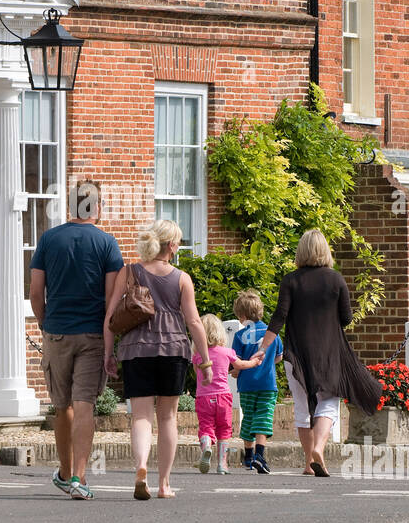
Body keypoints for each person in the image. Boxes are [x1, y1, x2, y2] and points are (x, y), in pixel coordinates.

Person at [248, 229, 382, 477]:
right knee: (327, 404)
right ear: (325, 251)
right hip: (330, 355)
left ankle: (309, 463)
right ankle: (319, 448)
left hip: (297, 355)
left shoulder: (291, 280)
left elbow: (279, 317)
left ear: (301, 251)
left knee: (301, 408)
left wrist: (263, 348)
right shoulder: (336, 280)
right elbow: (346, 318)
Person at [103, 219, 212, 500]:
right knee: (167, 417)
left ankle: (141, 468)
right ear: (172, 245)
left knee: (140, 416)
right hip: (173, 351)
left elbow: (110, 317)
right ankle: (164, 484)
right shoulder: (182, 278)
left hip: (136, 350)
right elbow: (194, 322)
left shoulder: (128, 272)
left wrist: (108, 353)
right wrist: (206, 360)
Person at [30, 181, 124, 500]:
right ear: (96, 207)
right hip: (93, 334)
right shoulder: (107, 243)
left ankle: (65, 471)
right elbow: (112, 299)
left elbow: (35, 291)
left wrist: (46, 323)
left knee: (62, 406)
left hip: (57, 331)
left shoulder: (49, 239)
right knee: (84, 404)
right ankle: (80, 480)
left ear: (70, 206)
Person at [193, 315, 260, 474]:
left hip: (204, 397)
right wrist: (255, 362)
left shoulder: (197, 356)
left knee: (206, 427)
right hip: (223, 396)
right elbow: (241, 364)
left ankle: (207, 445)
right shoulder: (227, 352)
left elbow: (197, 373)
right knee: (224, 429)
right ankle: (222, 464)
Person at [231, 289, 284, 474]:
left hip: (246, 385)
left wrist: (237, 371)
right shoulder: (273, 335)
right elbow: (279, 357)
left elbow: (236, 361)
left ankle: (248, 456)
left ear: (243, 316)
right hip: (267, 384)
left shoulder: (239, 336)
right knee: (264, 417)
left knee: (249, 418)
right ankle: (260, 455)